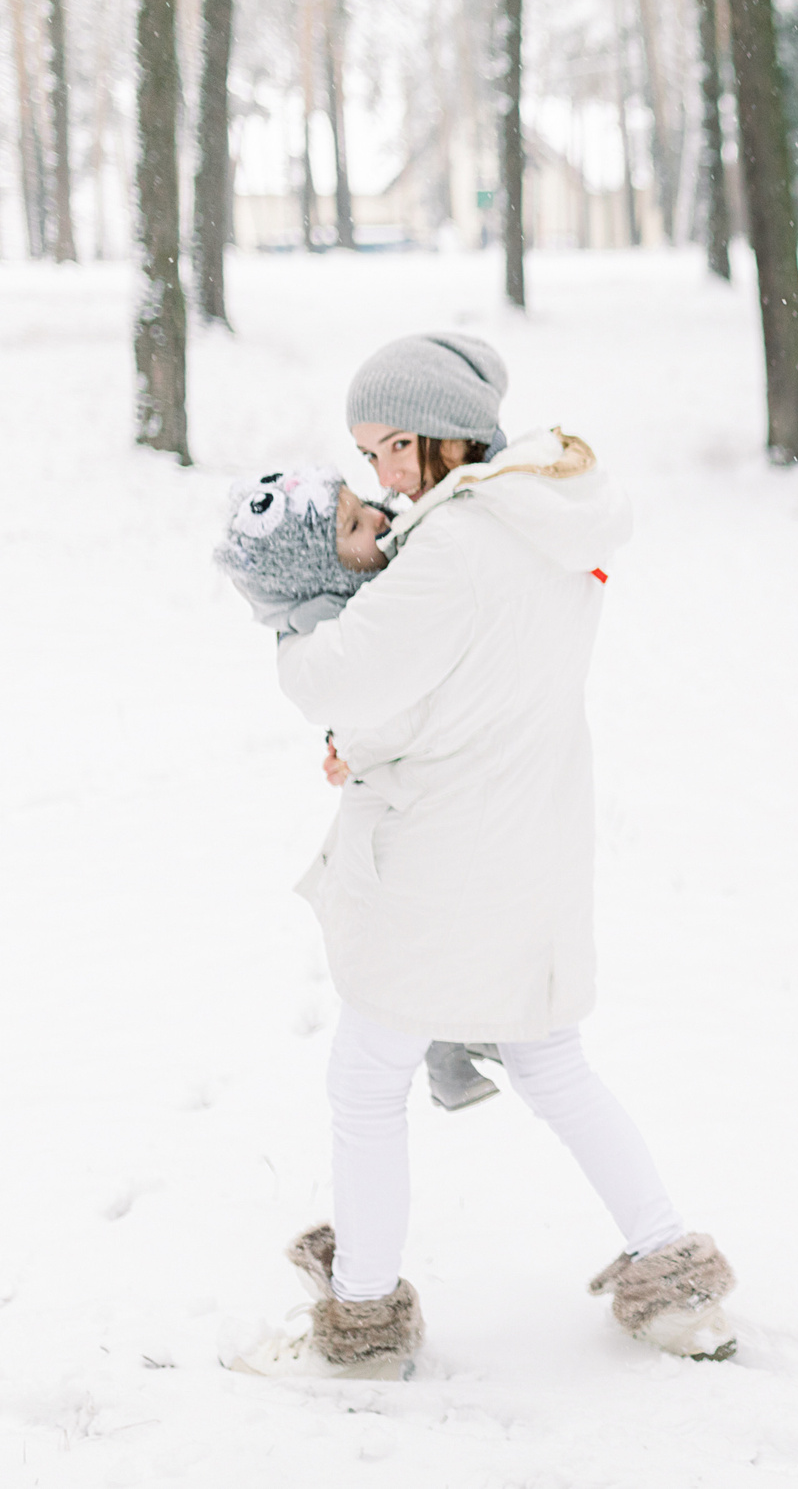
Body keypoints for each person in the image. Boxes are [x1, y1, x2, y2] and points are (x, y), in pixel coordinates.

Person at [241, 333, 735, 1379]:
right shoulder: (540, 527)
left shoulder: (456, 549)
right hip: (532, 839)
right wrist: (367, 742)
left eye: (380, 449)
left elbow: (340, 681)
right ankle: (678, 1279)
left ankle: (363, 1323)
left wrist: (288, 620)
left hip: (443, 861)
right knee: (551, 1060)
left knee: (365, 1080)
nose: (372, 475)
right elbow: (462, 694)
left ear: (430, 437)